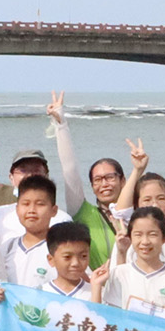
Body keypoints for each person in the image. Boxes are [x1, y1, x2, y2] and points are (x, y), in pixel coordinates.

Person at [46, 91, 126, 264]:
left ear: (123, 180)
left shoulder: (135, 214)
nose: (104, 184)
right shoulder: (82, 211)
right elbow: (70, 170)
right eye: (97, 180)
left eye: (110, 177)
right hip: (94, 288)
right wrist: (61, 125)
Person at [97, 207, 165, 317]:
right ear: (130, 237)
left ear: (164, 238)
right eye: (138, 234)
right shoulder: (119, 273)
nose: (145, 241)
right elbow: (112, 318)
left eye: (152, 234)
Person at [0, 174, 63, 294]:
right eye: (25, 204)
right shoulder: (7, 248)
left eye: (40, 204)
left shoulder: (62, 249)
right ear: (17, 208)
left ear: (54, 210)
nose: (31, 210)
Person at [0, 150, 62, 243]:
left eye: (36, 170)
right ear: (11, 177)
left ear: (46, 176)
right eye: (23, 170)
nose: (30, 175)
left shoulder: (61, 218)